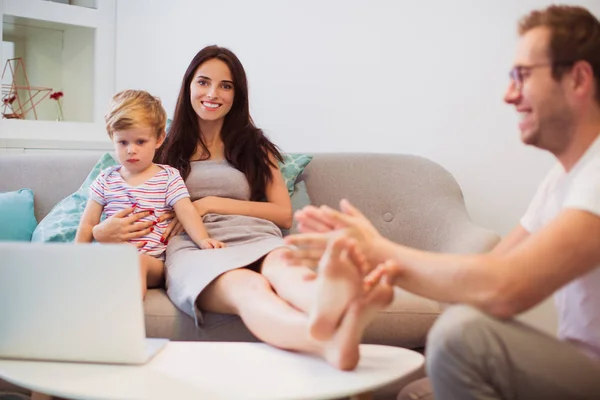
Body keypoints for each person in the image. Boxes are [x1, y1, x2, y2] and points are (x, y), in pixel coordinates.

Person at [285, 4, 600, 399]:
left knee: (460, 334)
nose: (509, 94)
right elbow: (491, 270)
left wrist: (382, 254)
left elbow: (507, 288)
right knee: (418, 393)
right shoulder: (562, 179)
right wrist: (373, 274)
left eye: (522, 75)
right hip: (578, 364)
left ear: (578, 78)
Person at [90, 45, 391, 370]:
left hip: (257, 237)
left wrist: (209, 203)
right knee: (250, 288)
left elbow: (282, 214)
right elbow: (122, 195)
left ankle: (338, 310)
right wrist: (100, 232)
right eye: (203, 82)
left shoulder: (253, 144)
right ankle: (328, 341)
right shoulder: (161, 143)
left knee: (286, 270)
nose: (213, 93)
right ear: (189, 85)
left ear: (237, 94)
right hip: (195, 247)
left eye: (226, 85)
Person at [75, 89, 225, 299]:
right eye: (123, 142)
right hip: (109, 258)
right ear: (112, 138)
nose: (131, 150)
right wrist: (75, 259)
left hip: (151, 263)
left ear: (158, 139)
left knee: (135, 264)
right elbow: (87, 224)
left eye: (140, 142)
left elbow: (186, 211)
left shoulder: (168, 177)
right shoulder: (105, 179)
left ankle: (126, 322)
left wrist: (203, 240)